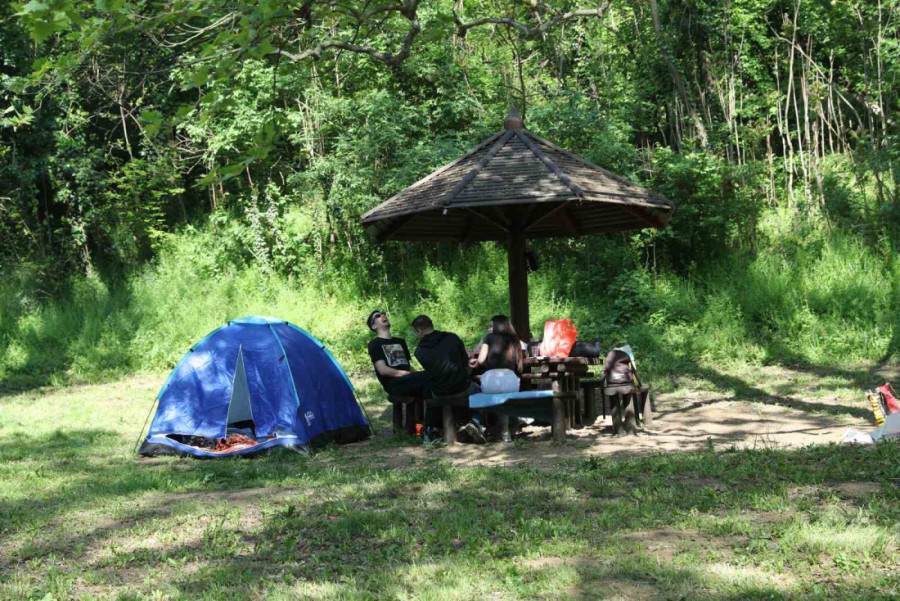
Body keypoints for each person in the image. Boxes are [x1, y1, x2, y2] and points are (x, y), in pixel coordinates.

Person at [410, 314, 484, 443]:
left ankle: (428, 430)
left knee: (430, 392)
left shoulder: (419, 351)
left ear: (418, 331)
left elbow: (435, 370)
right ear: (431, 325)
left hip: (439, 392)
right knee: (480, 390)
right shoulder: (452, 337)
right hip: (461, 387)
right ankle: (475, 422)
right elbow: (464, 362)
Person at [472, 315, 524, 442]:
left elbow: (481, 359)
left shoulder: (488, 337)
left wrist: (480, 361)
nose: (490, 328)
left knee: (480, 390)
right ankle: (505, 432)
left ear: (495, 326)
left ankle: (483, 426)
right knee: (504, 399)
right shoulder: (514, 340)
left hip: (492, 381)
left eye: (492, 325)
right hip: (511, 381)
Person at [366, 309, 430, 399]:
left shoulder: (400, 341)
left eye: (383, 314)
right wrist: (408, 374)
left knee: (432, 376)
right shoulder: (374, 344)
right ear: (373, 326)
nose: (383, 315)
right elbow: (383, 370)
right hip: (393, 384)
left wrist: (414, 373)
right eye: (377, 316)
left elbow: (408, 366)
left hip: (409, 379)